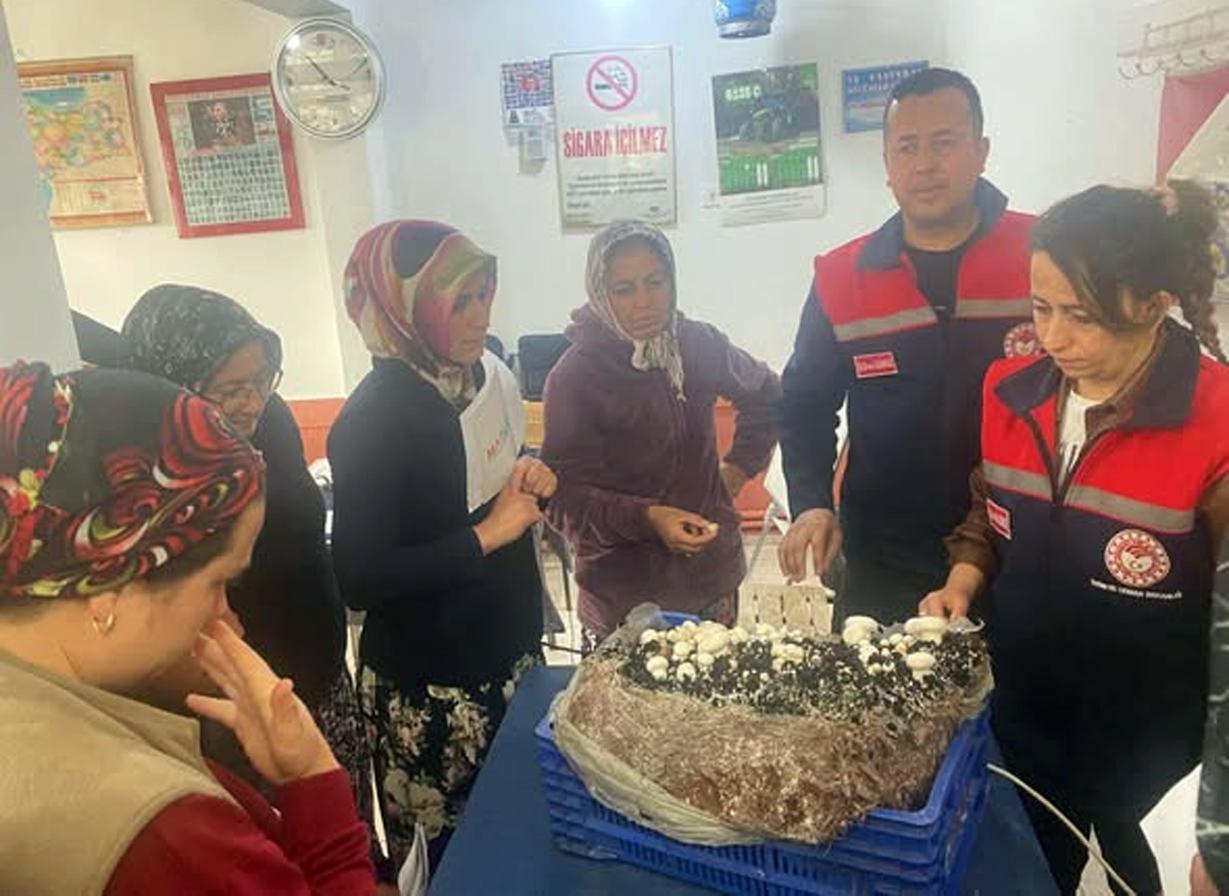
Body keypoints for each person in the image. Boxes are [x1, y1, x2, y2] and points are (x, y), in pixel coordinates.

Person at [921, 182, 1229, 894]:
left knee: (1141, 871)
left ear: (1152, 305)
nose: (1053, 337)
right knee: (1030, 872)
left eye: (1080, 316)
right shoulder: (1010, 391)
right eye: (1040, 308)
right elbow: (990, 506)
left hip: (1155, 743)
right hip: (1028, 715)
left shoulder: (1215, 426)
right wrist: (963, 578)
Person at [0, 361, 374, 893]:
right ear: (109, 588)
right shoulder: (159, 831)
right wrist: (313, 777)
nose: (230, 622)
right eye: (220, 584)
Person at [328, 220, 553, 872]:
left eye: (485, 296)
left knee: (519, 850)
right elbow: (360, 576)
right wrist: (487, 535)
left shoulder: (477, 378)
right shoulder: (373, 419)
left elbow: (489, 486)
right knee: (453, 867)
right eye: (460, 303)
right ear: (404, 309)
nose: (482, 317)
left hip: (506, 658)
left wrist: (532, 477)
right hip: (432, 694)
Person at [120, 286, 378, 850]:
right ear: (170, 385)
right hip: (240, 708)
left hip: (320, 676)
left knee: (346, 836)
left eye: (262, 380)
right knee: (284, 854)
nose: (251, 402)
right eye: (228, 389)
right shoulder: (147, 477)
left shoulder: (271, 422)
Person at [778, 67, 1036, 626]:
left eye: (944, 143)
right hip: (884, 555)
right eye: (907, 147)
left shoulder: (1043, 256)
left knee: (1018, 683)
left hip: (1023, 547)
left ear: (981, 151)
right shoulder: (842, 276)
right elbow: (803, 404)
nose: (924, 164)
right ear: (887, 163)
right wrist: (812, 502)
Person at [540, 220, 780, 650]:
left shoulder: (697, 344)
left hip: (711, 584)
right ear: (600, 292)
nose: (644, 302)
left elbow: (767, 393)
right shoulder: (575, 377)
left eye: (655, 282)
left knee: (716, 691)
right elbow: (562, 500)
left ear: (672, 280)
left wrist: (736, 471)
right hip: (623, 599)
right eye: (623, 289)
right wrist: (648, 518)